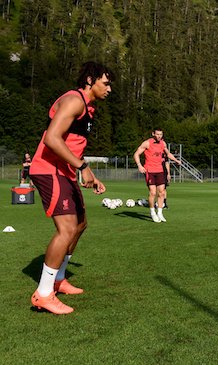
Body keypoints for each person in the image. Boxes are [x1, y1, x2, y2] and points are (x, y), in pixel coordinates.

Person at [28, 61, 112, 314]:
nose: (110, 89)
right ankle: (43, 293)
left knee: (80, 225)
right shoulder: (74, 100)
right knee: (65, 229)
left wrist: (87, 173)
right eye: (106, 83)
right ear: (90, 80)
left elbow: (71, 144)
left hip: (64, 170)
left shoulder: (89, 108)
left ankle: (58, 279)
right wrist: (82, 166)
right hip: (48, 169)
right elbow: (52, 138)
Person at [134, 129, 181, 222]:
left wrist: (176, 160)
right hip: (149, 171)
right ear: (153, 134)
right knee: (153, 192)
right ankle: (152, 212)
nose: (159, 136)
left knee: (162, 192)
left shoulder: (163, 143)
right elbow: (136, 154)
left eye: (161, 134)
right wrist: (139, 165)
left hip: (160, 171)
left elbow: (168, 154)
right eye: (157, 134)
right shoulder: (147, 143)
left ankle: (160, 213)